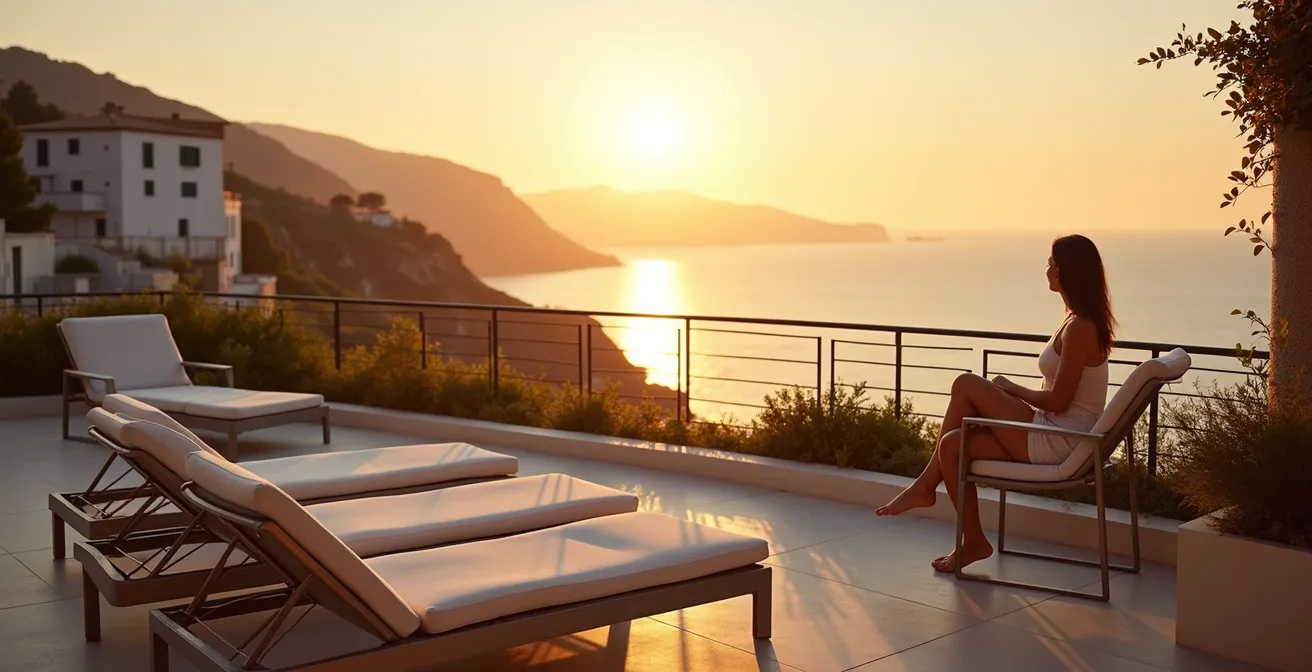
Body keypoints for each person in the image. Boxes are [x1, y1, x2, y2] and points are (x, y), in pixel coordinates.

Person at [874, 234, 1116, 573]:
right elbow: (1059, 395)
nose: (1046, 269)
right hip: (1051, 429)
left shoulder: (1080, 327)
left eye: (1050, 263)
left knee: (966, 385)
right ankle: (973, 541)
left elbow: (1060, 402)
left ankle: (925, 485)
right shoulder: (1077, 320)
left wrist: (1011, 389)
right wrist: (1010, 400)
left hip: (1060, 440)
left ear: (1063, 272)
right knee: (952, 446)